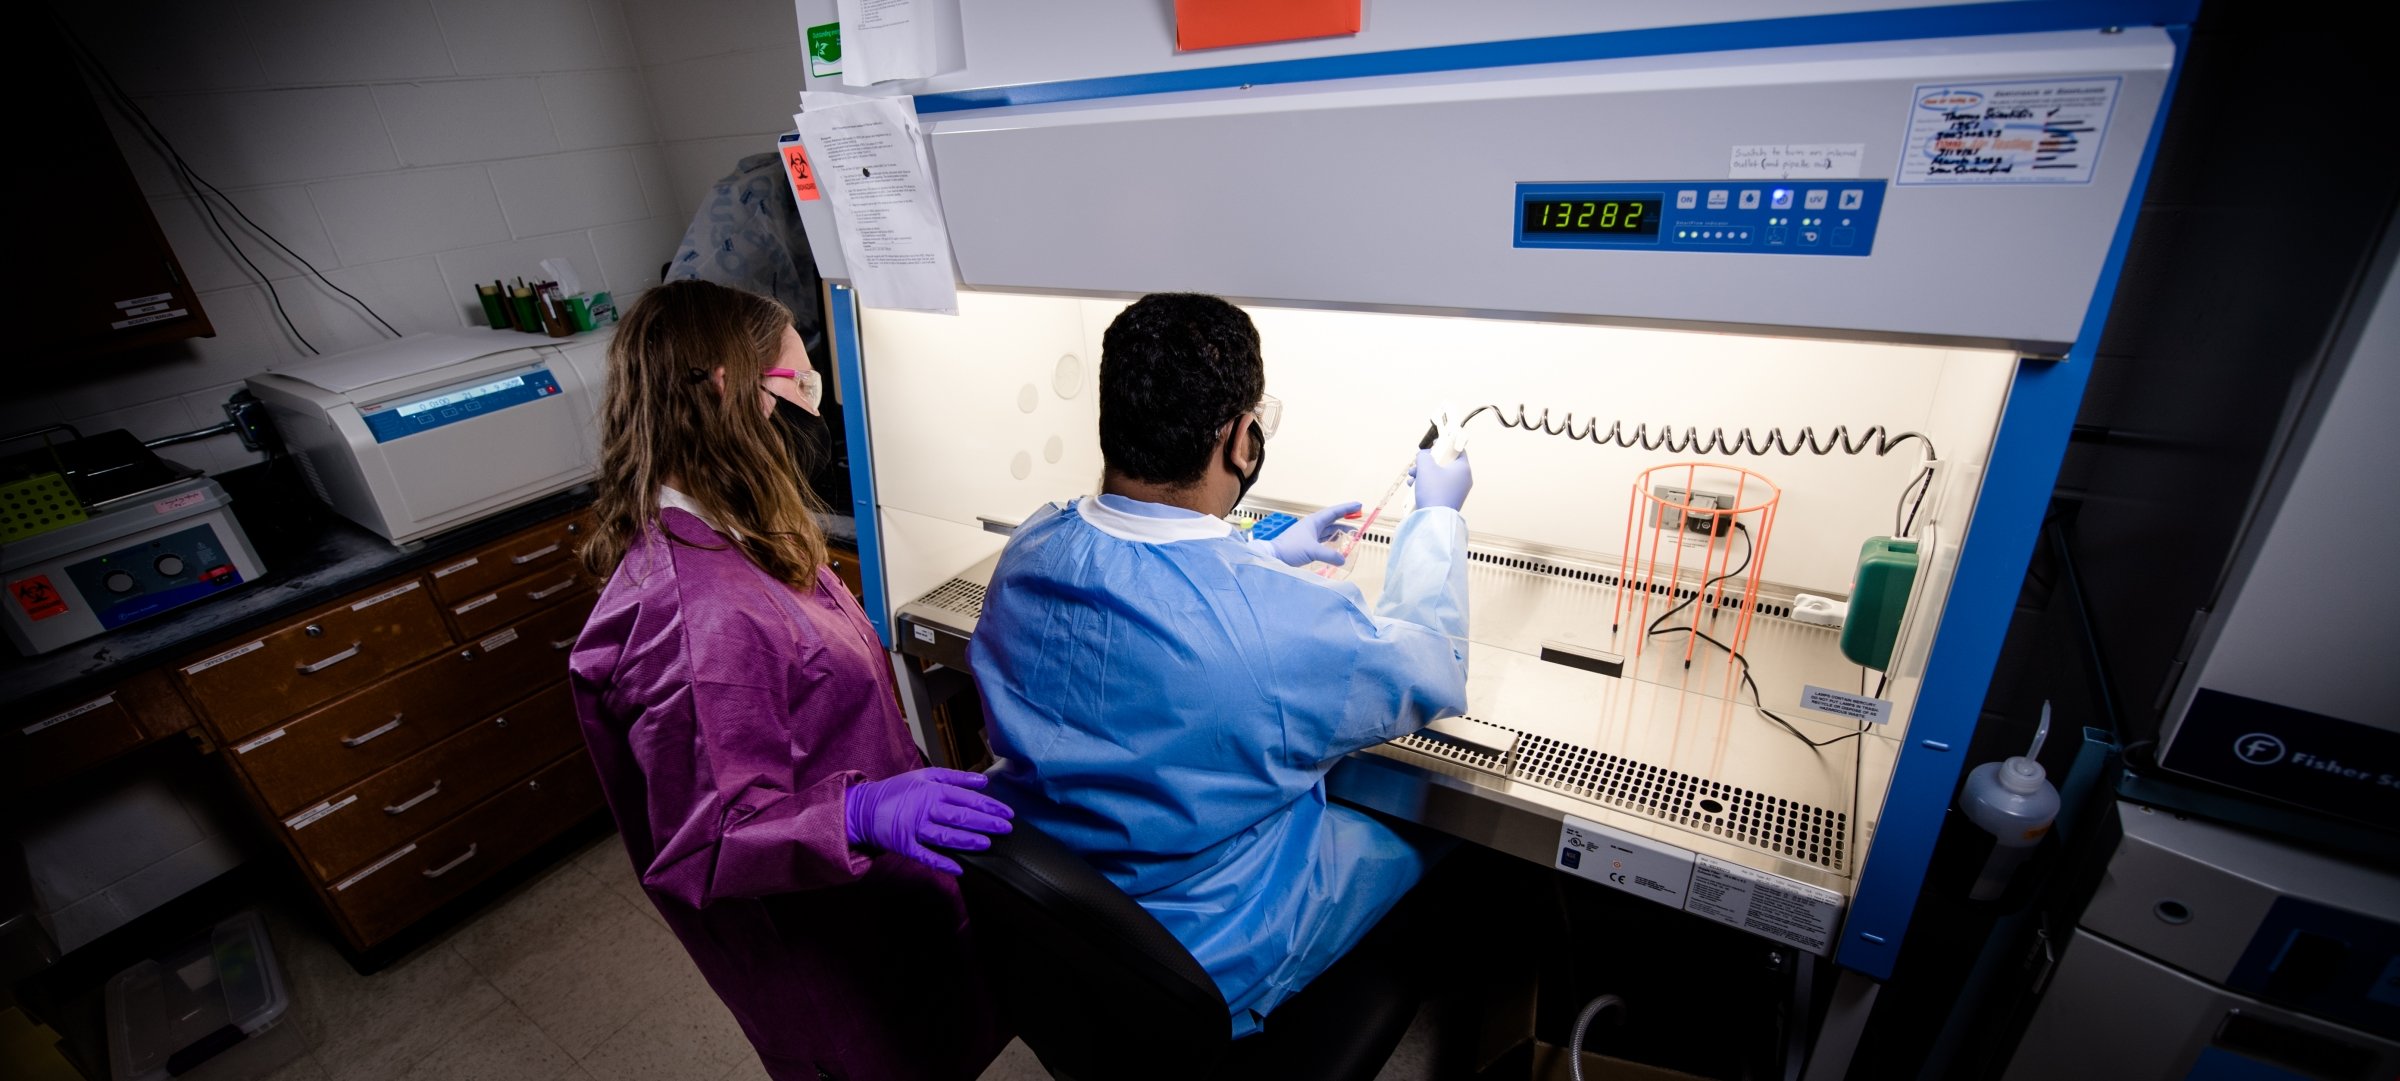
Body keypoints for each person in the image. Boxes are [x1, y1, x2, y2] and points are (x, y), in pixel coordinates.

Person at [968, 292, 1476, 1037]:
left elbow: (1148, 584)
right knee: (1443, 833)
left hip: (1069, 928)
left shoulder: (1031, 549)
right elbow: (1435, 666)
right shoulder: (1282, 627)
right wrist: (1438, 518)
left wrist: (1258, 552)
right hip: (1207, 955)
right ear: (1242, 440)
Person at [569, 280, 1012, 1080]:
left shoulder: (735, 532)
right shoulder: (694, 611)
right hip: (824, 937)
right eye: (798, 385)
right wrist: (860, 810)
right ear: (725, 389)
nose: (816, 413)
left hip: (876, 895)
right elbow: (707, 838)